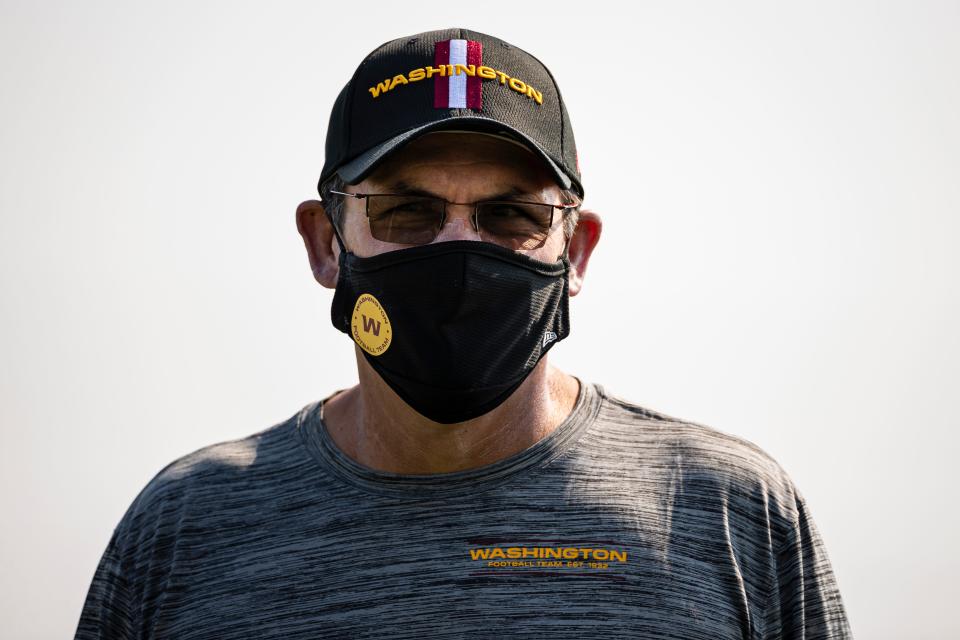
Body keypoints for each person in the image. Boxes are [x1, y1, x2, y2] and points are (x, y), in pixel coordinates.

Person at [75, 27, 852, 639]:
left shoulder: (727, 511)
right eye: (406, 211)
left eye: (511, 215)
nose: (458, 251)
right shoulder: (187, 527)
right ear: (325, 243)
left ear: (575, 251)